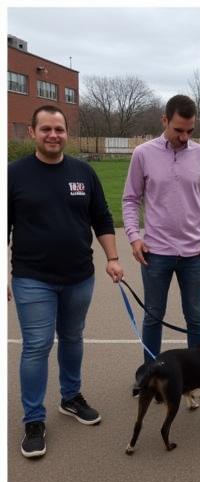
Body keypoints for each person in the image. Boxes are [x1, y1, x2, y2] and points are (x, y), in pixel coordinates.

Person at [8, 104, 123, 459]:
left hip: (79, 276)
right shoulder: (13, 175)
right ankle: (34, 419)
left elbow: (101, 218)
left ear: (66, 133)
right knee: (37, 346)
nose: (53, 135)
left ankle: (71, 397)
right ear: (32, 133)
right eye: (46, 129)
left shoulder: (83, 172)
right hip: (33, 278)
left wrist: (113, 259)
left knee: (73, 338)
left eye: (59, 129)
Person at [122, 94, 200, 362]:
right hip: (156, 252)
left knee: (196, 318)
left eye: (190, 130)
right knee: (153, 315)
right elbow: (130, 199)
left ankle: (196, 376)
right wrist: (134, 237)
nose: (185, 136)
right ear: (164, 120)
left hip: (195, 253)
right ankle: (150, 373)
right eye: (178, 130)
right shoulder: (143, 154)